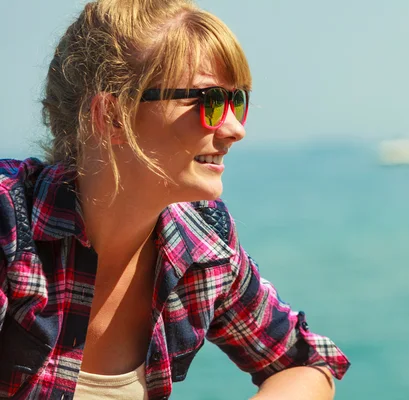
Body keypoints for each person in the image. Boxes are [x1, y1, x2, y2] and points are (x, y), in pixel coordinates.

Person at [0, 0, 350, 399]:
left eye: (236, 102)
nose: (235, 129)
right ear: (112, 117)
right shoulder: (10, 224)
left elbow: (307, 365)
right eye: (209, 102)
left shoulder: (203, 245)